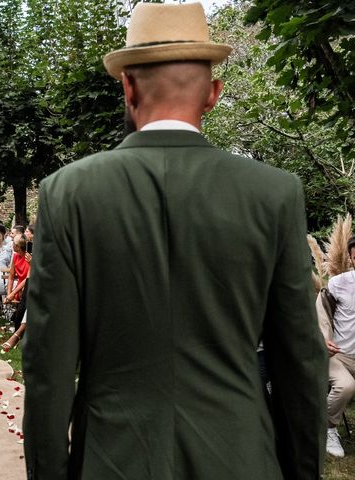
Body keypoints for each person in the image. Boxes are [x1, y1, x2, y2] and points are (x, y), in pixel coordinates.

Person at [23, 3, 327, 480]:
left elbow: (48, 369)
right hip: (239, 456)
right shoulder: (273, 193)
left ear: (127, 87)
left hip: (111, 458)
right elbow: (300, 362)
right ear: (214, 94)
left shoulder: (67, 193)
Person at [319, 235, 355, 458]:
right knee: (345, 386)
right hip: (338, 355)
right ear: (351, 259)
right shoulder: (338, 283)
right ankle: (327, 428)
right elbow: (320, 315)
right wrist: (322, 339)